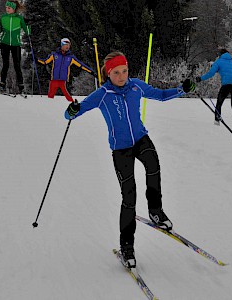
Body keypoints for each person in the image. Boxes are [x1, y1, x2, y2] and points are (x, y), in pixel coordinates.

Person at [64, 51, 196, 268]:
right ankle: (127, 247)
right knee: (129, 196)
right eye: (116, 72)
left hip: (141, 140)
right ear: (109, 74)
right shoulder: (103, 93)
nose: (122, 76)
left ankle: (156, 211)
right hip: (121, 149)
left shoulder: (136, 85)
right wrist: (72, 110)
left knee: (153, 165)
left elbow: (161, 95)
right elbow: (72, 114)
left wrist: (183, 89)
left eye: (124, 70)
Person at [196, 47, 232, 130]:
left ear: (220, 55)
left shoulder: (218, 61)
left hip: (226, 85)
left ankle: (217, 121)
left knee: (219, 102)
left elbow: (211, 73)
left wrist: (201, 78)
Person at [0, 1, 29, 94]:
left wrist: (28, 24)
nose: (7, 9)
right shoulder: (3, 17)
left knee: (17, 65)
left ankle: (21, 87)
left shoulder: (19, 18)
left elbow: (27, 32)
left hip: (16, 44)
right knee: (5, 64)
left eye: (9, 8)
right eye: (6, 7)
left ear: (14, 9)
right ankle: (2, 86)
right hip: (4, 43)